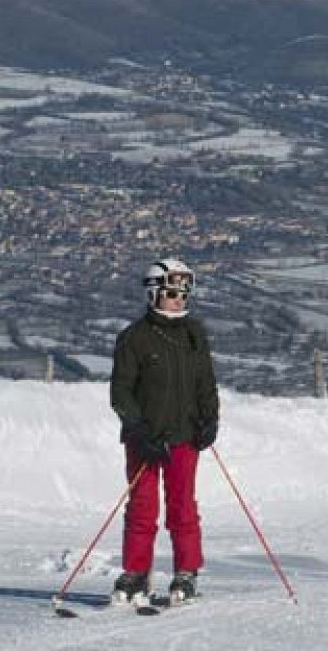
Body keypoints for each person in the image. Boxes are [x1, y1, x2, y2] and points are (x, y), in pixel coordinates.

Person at [108, 258, 220, 607]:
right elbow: (121, 391)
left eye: (184, 294)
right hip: (145, 439)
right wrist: (139, 431)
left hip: (185, 435)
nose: (178, 300)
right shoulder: (135, 338)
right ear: (154, 293)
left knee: (182, 504)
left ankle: (187, 570)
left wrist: (209, 419)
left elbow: (206, 382)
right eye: (171, 293)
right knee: (142, 506)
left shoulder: (193, 333)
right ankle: (136, 572)